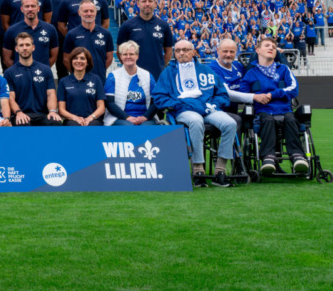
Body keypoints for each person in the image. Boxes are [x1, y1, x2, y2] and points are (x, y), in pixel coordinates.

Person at [152, 40, 237, 183]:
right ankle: (198, 168)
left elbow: (222, 94)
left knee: (230, 123)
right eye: (178, 50)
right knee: (196, 121)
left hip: (209, 109)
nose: (181, 53)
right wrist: (178, 104)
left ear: (193, 52)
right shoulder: (168, 73)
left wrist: (213, 105)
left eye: (185, 50)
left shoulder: (206, 70)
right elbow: (159, 97)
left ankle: (220, 170)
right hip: (184, 110)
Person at [238, 36, 307, 176]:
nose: (271, 48)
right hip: (262, 112)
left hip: (284, 109)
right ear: (257, 50)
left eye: (274, 47)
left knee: (290, 119)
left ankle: (297, 156)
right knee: (267, 120)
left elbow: (294, 89)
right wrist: (255, 97)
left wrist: (272, 95)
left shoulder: (283, 69)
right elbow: (243, 94)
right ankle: (268, 159)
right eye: (267, 46)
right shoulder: (250, 74)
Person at [4, 33, 62, 126]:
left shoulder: (45, 69)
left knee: (55, 122)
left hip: (42, 115)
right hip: (21, 114)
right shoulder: (9, 72)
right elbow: (10, 98)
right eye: (21, 45)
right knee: (23, 123)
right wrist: (18, 112)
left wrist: (52, 111)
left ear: (33, 47)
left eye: (27, 45)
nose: (25, 48)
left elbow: (51, 94)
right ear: (16, 49)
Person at [116, 0, 174, 79]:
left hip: (156, 77)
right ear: (138, 4)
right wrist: (130, 67)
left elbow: (169, 51)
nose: (147, 4)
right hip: (133, 77)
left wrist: (160, 66)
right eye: (144, 1)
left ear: (155, 4)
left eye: (150, 1)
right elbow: (119, 52)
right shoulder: (127, 25)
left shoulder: (163, 25)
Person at [103, 41, 156, 126]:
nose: (128, 57)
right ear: (120, 56)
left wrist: (145, 117)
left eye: (131, 54)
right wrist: (127, 117)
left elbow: (155, 101)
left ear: (137, 56)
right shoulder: (113, 76)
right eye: (125, 54)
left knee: (146, 127)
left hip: (144, 117)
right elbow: (110, 103)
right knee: (128, 126)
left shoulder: (147, 75)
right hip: (120, 118)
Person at [2, 0, 59, 69]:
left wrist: (43, 71)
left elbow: (53, 57)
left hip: (42, 76)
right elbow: (7, 59)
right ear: (22, 9)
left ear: (38, 8)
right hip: (20, 76)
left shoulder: (50, 29)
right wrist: (19, 72)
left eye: (33, 6)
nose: (30, 9)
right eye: (27, 6)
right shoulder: (12, 30)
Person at [62, 1, 113, 76]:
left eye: (92, 11)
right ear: (79, 13)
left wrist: (99, 71)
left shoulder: (106, 34)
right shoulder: (71, 34)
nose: (89, 14)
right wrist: (77, 74)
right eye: (85, 11)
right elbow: (66, 59)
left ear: (95, 12)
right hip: (79, 82)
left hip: (99, 80)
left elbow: (109, 58)